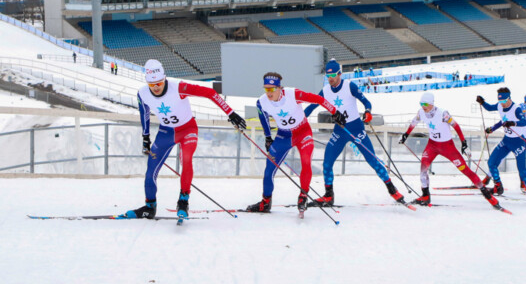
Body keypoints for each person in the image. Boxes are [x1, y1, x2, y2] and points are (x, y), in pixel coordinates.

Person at [126, 59, 246, 220]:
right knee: (150, 171)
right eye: (152, 84)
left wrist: (231, 113)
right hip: (166, 132)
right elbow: (144, 113)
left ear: (165, 79)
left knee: (187, 158)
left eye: (159, 83)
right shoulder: (142, 93)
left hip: (187, 130)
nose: (156, 87)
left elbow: (210, 93)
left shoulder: (179, 87)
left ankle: (183, 201)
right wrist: (145, 137)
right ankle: (150, 206)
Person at [304, 59, 405, 207]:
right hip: (339, 130)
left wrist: (368, 112)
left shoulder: (349, 86)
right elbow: (311, 107)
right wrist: (299, 120)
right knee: (327, 162)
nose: (331, 79)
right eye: (328, 76)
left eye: (333, 76)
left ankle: (392, 190)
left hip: (356, 129)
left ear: (339, 74)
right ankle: (328, 195)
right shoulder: (325, 90)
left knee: (372, 160)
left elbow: (367, 103)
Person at [247, 72, 340, 214]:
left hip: (303, 132)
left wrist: (335, 111)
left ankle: (303, 195)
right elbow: (263, 119)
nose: (269, 93)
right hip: (284, 135)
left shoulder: (293, 94)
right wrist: (267, 137)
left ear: (279, 88)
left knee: (306, 161)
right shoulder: (262, 102)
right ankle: (266, 202)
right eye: (266, 89)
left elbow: (318, 99)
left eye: (272, 89)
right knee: (269, 169)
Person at [398, 92, 498, 208]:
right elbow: (414, 122)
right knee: (423, 169)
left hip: (447, 147)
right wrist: (406, 135)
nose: (423, 106)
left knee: (465, 169)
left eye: (425, 104)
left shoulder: (442, 114)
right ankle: (425, 196)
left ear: (431, 103)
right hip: (432, 145)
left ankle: (487, 195)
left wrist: (464, 143)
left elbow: (456, 126)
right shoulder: (421, 112)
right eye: (421, 103)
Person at [476, 89, 526, 206]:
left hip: (519, 142)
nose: (501, 102)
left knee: (522, 171)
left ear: (509, 98)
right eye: (499, 100)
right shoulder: (499, 106)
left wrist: (513, 123)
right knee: (491, 162)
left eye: (503, 100)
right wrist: (482, 102)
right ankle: (498, 186)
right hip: (506, 141)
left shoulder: (516, 108)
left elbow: (523, 122)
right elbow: (490, 108)